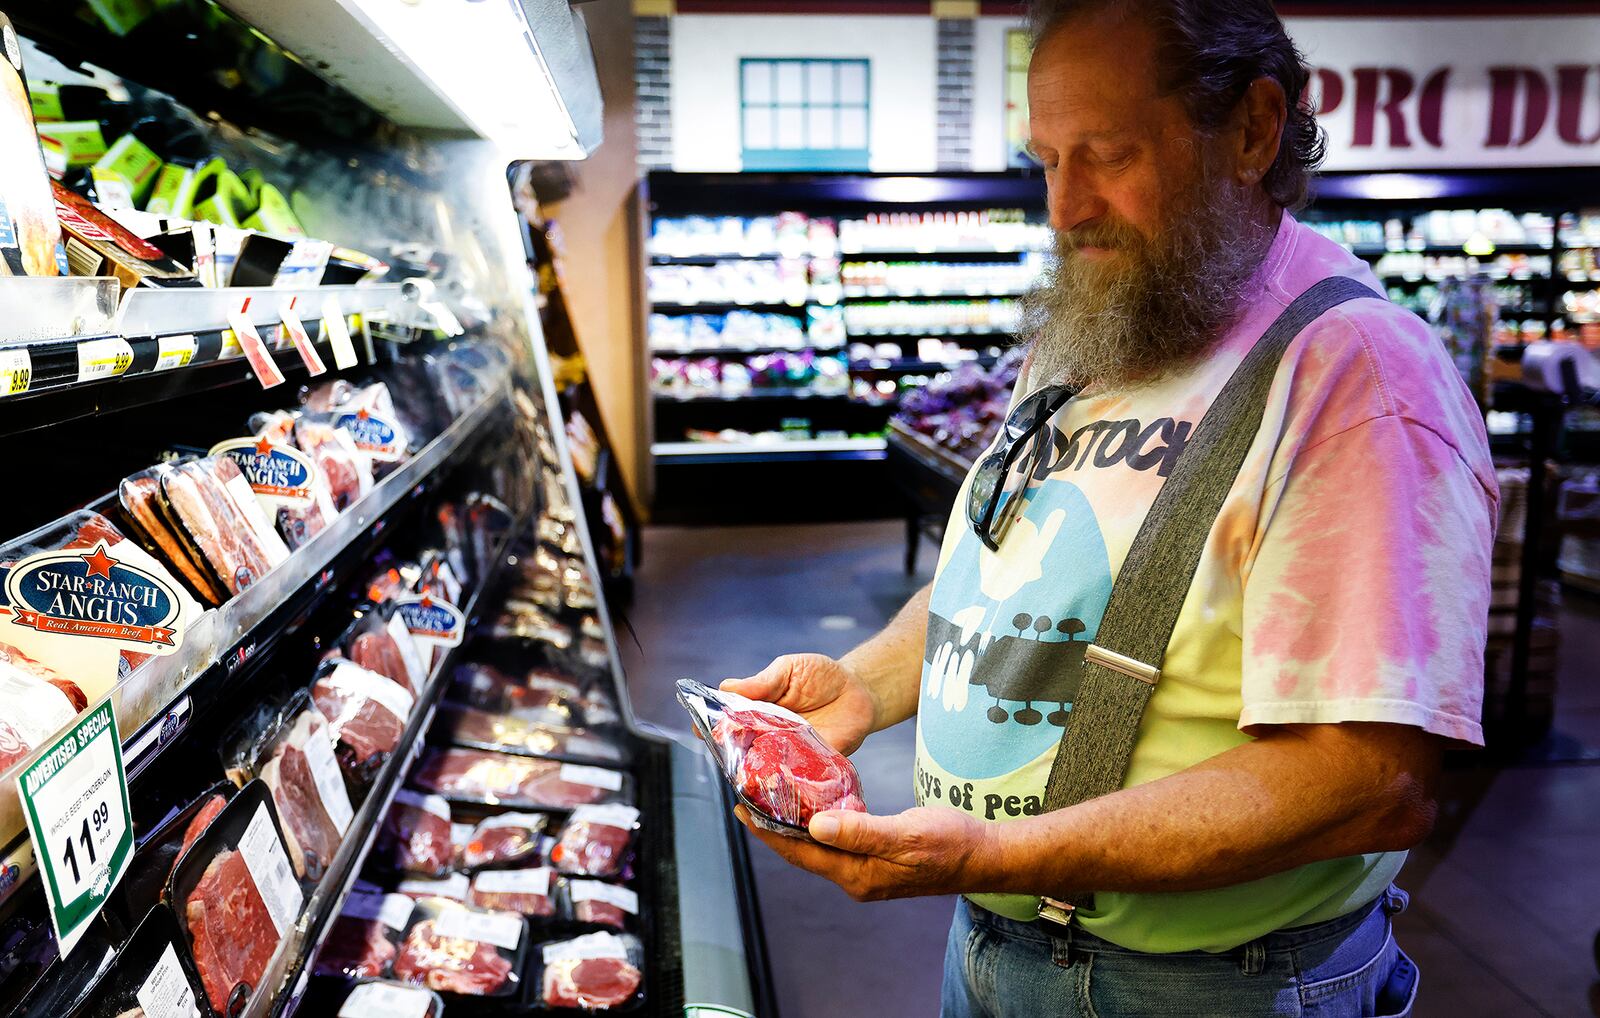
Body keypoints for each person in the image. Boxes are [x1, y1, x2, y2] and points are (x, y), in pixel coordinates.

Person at [721, 1, 1498, 1016]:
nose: (1063, 205)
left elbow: (1368, 776)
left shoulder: (1354, 379)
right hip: (991, 947)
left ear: (1253, 131)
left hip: (1199, 987)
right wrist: (863, 684)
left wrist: (1003, 850)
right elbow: (999, 578)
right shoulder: (1100, 327)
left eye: (1107, 154)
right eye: (1044, 158)